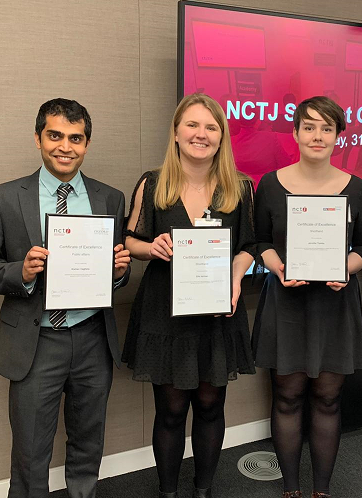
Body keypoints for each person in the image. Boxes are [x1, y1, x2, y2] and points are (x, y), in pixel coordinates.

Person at [0, 98, 131, 498]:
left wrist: (119, 273)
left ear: (87, 143)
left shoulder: (109, 198)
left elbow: (112, 271)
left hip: (92, 337)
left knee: (88, 443)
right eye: (55, 135)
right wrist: (19, 272)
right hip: (36, 340)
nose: (65, 146)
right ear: (38, 138)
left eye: (75, 138)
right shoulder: (4, 197)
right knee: (30, 451)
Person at [122, 93, 256, 498]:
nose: (201, 134)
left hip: (218, 315)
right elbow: (130, 241)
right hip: (166, 314)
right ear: (176, 132)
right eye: (192, 125)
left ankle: (203, 490)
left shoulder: (240, 186)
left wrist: (236, 278)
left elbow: (248, 245)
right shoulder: (152, 182)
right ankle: (168, 492)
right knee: (171, 411)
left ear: (222, 136)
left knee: (212, 407)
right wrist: (153, 247)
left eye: (211, 127)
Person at [252, 96, 362, 498]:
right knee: (286, 398)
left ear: (338, 135)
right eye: (309, 127)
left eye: (326, 128)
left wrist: (348, 268)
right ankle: (290, 489)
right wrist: (278, 267)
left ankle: (321, 491)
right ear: (295, 133)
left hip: (335, 306)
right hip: (286, 302)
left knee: (327, 399)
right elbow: (260, 241)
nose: (317, 136)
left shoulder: (355, 188)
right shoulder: (270, 184)